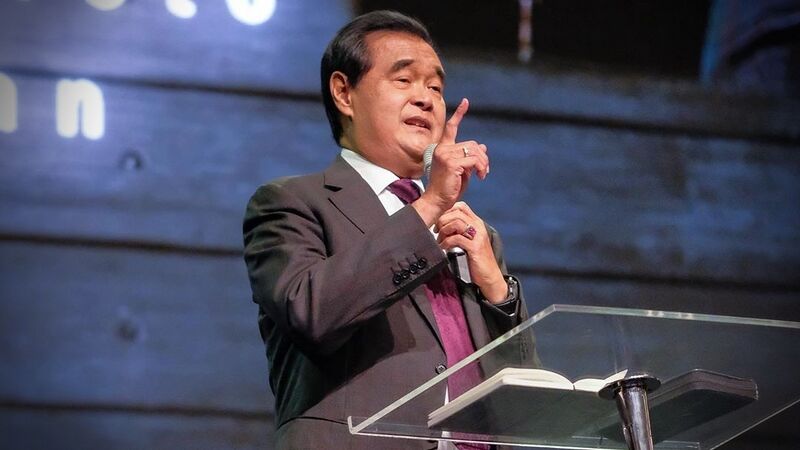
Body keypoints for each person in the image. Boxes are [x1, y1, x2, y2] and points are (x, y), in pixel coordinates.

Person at [243, 10, 532, 449]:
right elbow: (312, 313)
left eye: (435, 88)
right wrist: (428, 205)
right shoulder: (290, 203)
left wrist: (497, 291)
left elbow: (528, 391)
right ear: (344, 93)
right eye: (404, 80)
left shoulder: (476, 234)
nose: (426, 99)